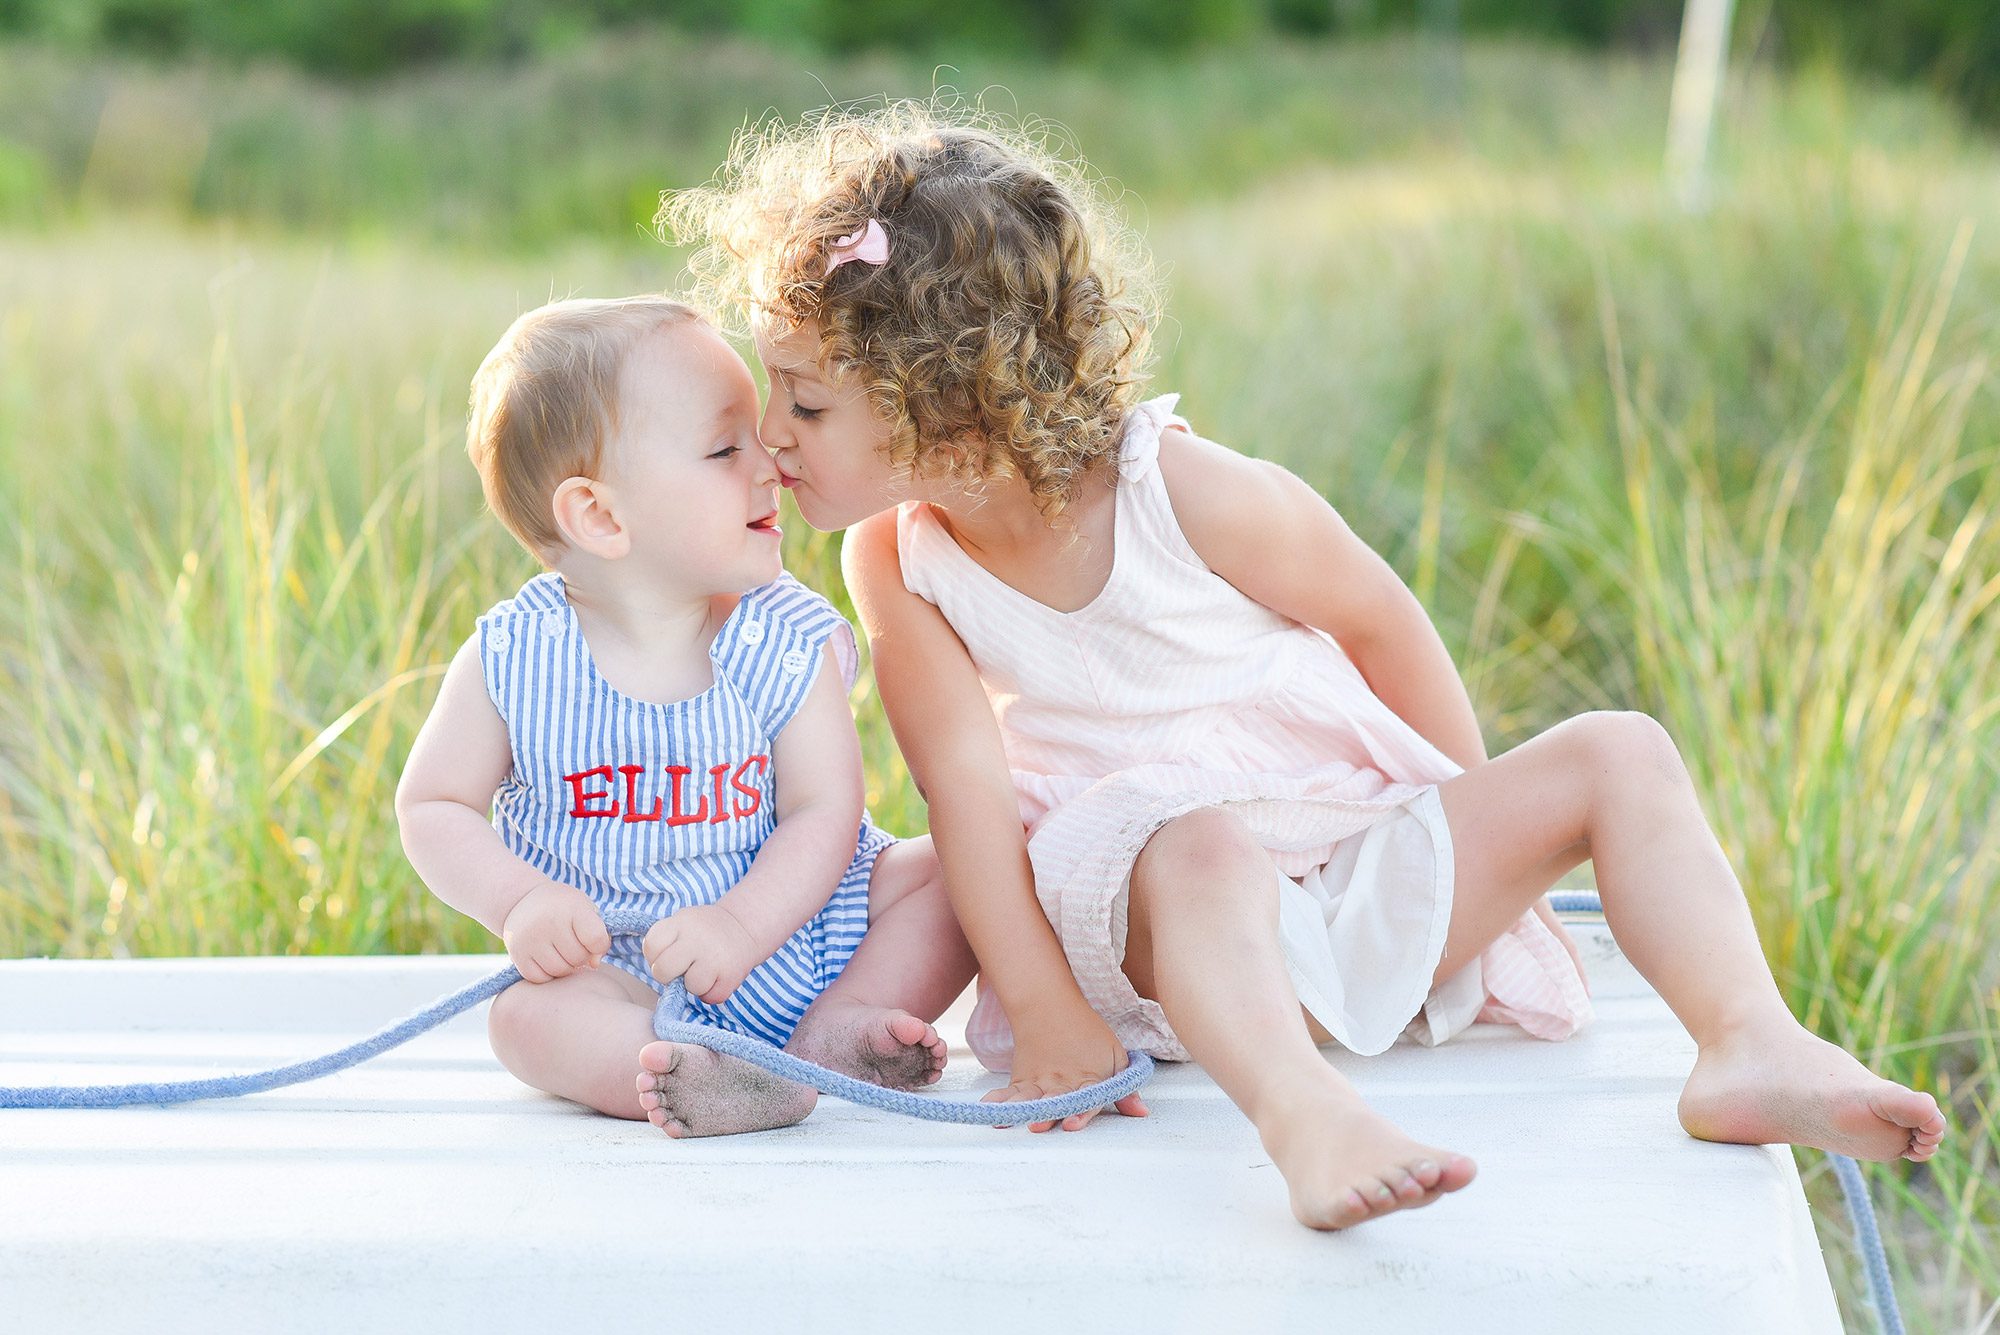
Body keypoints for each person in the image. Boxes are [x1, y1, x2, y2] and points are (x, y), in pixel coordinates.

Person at [662, 105, 1948, 1227]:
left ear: (951, 395)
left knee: (1620, 746)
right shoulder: (901, 562)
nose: (768, 436)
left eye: (806, 404)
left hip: (1345, 873)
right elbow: (966, 799)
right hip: (1159, 920)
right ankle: (1303, 1115)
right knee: (1199, 837)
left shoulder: (1183, 493)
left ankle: (1745, 1042)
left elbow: (1382, 625)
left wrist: (1457, 830)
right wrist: (1049, 1015)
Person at [396, 295, 975, 1138]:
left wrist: (743, 925)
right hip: (621, 968)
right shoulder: (516, 658)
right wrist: (520, 901)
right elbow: (432, 806)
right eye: (723, 448)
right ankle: (692, 1073)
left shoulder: (783, 637)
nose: (771, 463)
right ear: (599, 515)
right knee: (524, 1019)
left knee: (959, 870)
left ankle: (844, 1024)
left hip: (805, 929)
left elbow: (826, 810)